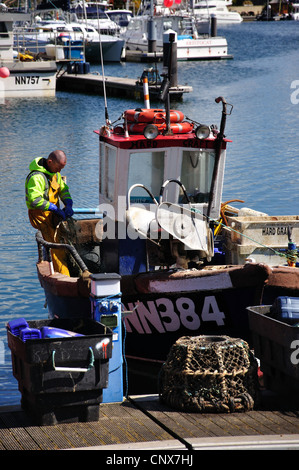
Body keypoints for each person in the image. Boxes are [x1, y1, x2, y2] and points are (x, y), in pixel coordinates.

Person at [25, 150, 74, 275]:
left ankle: (65, 269)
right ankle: (63, 276)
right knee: (55, 247)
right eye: (58, 167)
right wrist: (54, 208)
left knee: (62, 241)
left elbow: (63, 189)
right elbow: (34, 200)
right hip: (40, 215)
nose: (59, 171)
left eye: (61, 169)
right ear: (50, 162)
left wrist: (68, 203)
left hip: (53, 215)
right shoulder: (37, 177)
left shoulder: (55, 174)